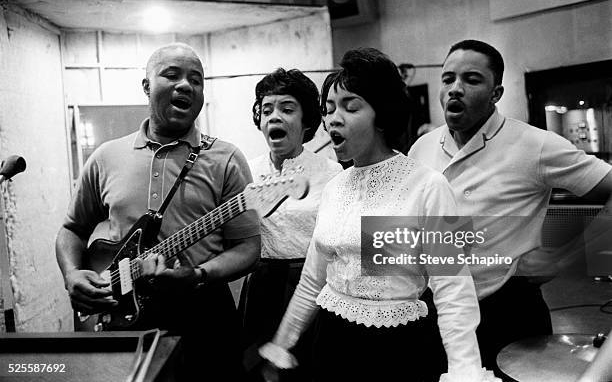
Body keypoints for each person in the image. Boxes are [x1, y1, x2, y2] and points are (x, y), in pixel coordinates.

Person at [259, 48, 498, 382]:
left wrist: (465, 370)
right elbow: (313, 279)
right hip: (331, 342)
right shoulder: (335, 187)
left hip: (397, 348)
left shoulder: (428, 186)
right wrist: (281, 345)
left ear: (382, 113)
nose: (333, 119)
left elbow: (453, 287)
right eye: (328, 110)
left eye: (350, 106)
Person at [55, 42, 261, 381]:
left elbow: (248, 248)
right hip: (122, 317)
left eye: (196, 80)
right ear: (147, 86)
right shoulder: (107, 157)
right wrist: (72, 274)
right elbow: (72, 229)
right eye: (172, 75)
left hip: (204, 318)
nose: (185, 85)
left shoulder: (226, 158)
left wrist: (198, 275)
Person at [408, 39, 612, 373]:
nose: (455, 89)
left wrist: (566, 258)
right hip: (434, 309)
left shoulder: (536, 145)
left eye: (472, 80)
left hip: (505, 310)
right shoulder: (422, 147)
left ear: (496, 93)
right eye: (448, 79)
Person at [239, 68, 342, 380]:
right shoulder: (247, 172)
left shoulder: (331, 172)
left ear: (306, 121)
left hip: (312, 285)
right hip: (260, 286)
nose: (274, 117)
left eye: (287, 109)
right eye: (267, 109)